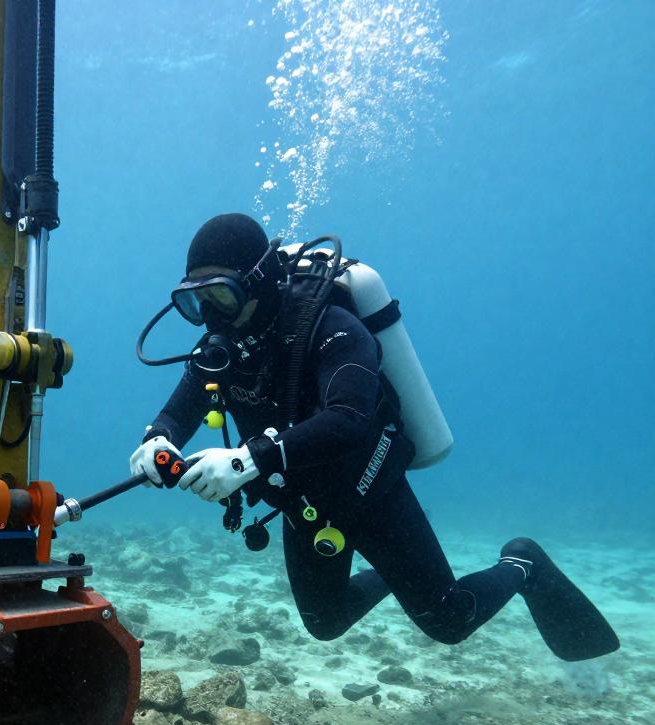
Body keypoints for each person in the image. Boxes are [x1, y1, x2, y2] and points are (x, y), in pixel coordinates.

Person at [129, 213, 618, 661]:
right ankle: (391, 572)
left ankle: (522, 563)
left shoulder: (333, 327)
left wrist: (248, 460)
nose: (211, 317)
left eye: (220, 296)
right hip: (304, 499)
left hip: (370, 491)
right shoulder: (223, 347)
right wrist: (157, 440)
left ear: (256, 283)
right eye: (194, 303)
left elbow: (348, 418)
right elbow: (180, 409)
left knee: (449, 621)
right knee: (325, 622)